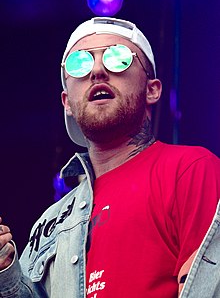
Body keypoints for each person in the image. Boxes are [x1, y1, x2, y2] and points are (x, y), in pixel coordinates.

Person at [0, 17, 219, 298]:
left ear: (152, 89)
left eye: (119, 59)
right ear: (67, 102)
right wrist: (5, 269)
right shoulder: (50, 220)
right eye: (80, 64)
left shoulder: (191, 170)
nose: (98, 71)